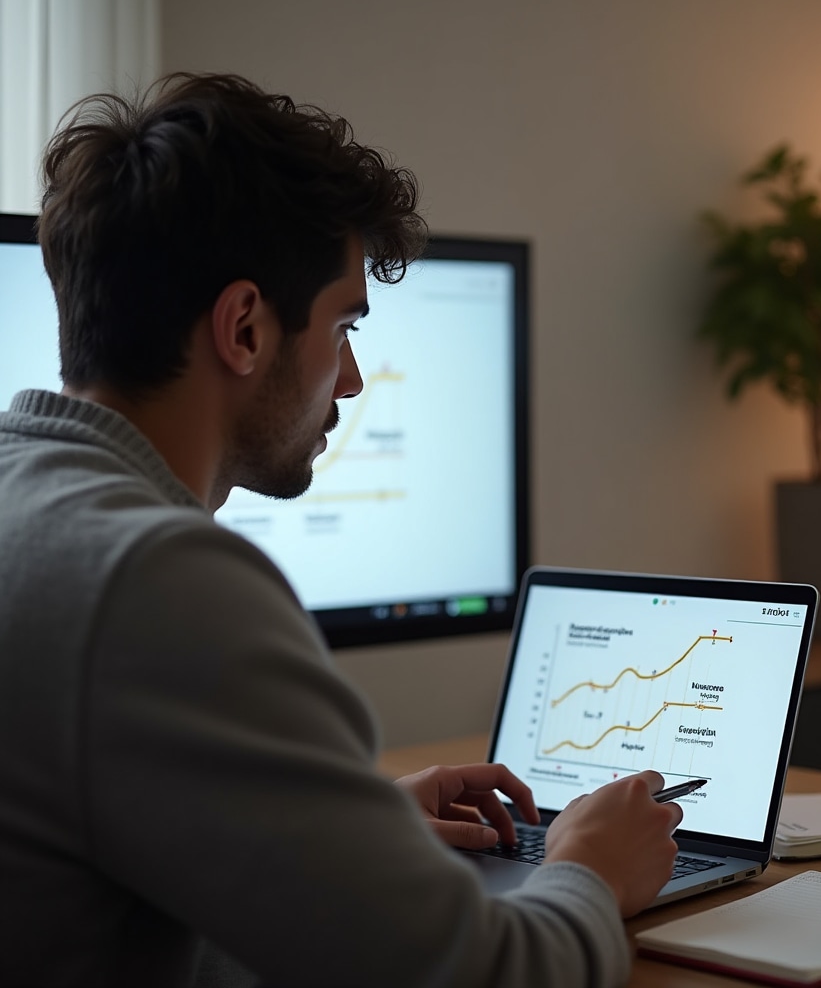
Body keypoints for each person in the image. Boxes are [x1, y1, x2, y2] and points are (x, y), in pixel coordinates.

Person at [0, 73, 683, 988]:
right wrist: (591, 867)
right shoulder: (160, 580)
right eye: (343, 326)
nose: (352, 379)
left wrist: (346, 835)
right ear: (245, 328)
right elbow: (488, 976)